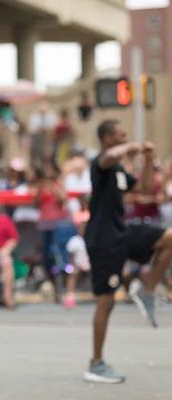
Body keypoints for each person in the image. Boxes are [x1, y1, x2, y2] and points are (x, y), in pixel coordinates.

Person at [83, 120, 172, 384]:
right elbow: (109, 156)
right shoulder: (101, 164)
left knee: (169, 237)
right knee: (106, 300)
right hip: (103, 240)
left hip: (122, 233)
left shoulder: (120, 170)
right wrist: (132, 146)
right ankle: (96, 363)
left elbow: (145, 188)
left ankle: (147, 289)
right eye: (121, 135)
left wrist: (148, 160)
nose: (125, 138)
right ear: (108, 138)